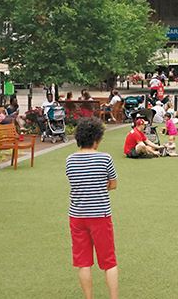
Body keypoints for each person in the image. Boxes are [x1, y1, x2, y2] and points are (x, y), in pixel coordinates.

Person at [66, 117, 119, 299]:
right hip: (100, 216)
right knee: (109, 262)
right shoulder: (105, 158)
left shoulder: (70, 160)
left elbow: (76, 184)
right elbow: (113, 184)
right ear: (97, 138)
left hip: (77, 216)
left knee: (83, 263)